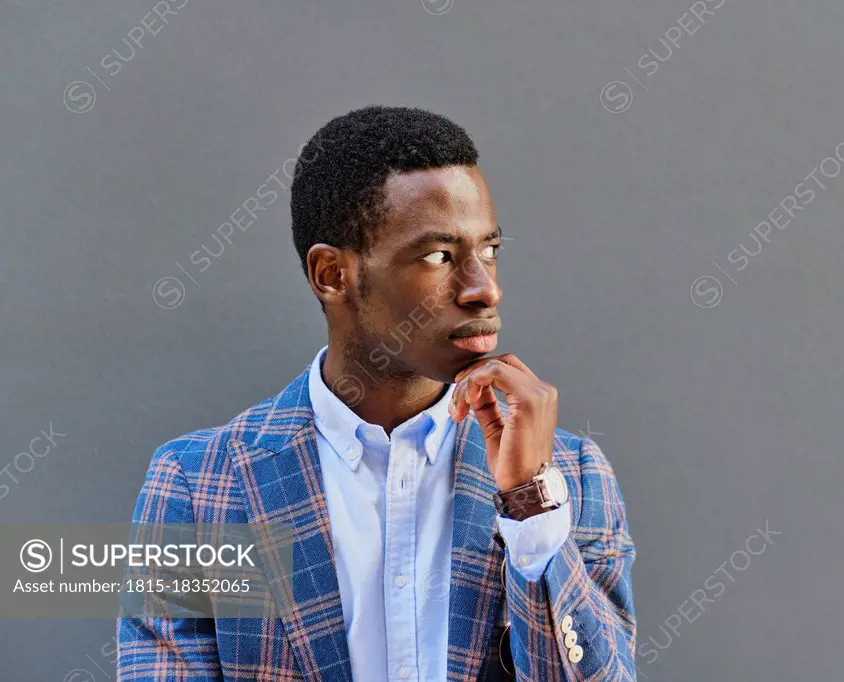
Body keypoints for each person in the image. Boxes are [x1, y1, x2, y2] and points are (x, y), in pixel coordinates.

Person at [117, 105, 637, 681]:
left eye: (489, 250)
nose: (485, 288)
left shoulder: (572, 477)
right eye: (440, 256)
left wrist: (529, 507)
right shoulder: (198, 486)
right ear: (332, 275)